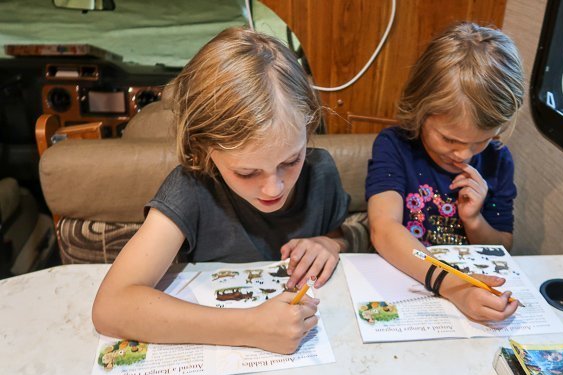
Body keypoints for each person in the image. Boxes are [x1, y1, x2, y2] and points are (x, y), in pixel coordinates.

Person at [92, 27, 350, 355]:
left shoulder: (321, 171)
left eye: (291, 160)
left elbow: (337, 232)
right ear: (203, 147)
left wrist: (329, 242)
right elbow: (111, 307)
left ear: (309, 126)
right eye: (247, 172)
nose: (275, 187)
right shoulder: (189, 188)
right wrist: (251, 327)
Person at [366, 22, 525, 322]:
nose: (463, 154)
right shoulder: (395, 146)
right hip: (404, 284)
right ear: (419, 111)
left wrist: (474, 220)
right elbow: (383, 229)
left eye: (481, 140)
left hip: (469, 291)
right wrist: (452, 286)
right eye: (450, 139)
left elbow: (503, 246)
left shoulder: (498, 160)